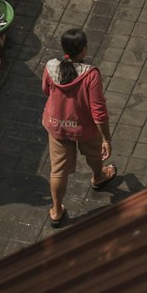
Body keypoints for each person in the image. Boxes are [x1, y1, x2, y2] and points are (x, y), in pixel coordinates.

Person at [42, 28, 116, 228]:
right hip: (84, 126)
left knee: (58, 170)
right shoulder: (91, 75)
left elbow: (46, 89)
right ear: (83, 50)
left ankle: (56, 211)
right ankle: (99, 177)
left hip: (57, 125)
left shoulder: (50, 67)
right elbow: (98, 111)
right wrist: (107, 139)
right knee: (94, 153)